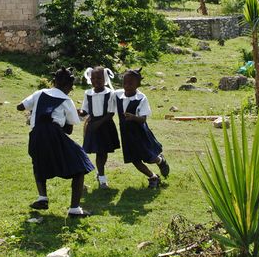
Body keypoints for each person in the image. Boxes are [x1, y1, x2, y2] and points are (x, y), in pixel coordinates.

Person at [17, 66, 94, 217]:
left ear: (53, 81)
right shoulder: (66, 100)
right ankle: (74, 209)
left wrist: (35, 111)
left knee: (39, 162)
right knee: (80, 164)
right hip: (53, 133)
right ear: (69, 86)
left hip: (36, 134)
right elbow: (69, 129)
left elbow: (20, 107)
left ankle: (42, 197)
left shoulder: (39, 93)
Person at [113, 68, 169, 188]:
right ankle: (153, 177)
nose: (127, 86)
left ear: (138, 84)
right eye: (125, 83)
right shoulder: (117, 94)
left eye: (131, 83)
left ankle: (160, 161)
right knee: (134, 160)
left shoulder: (141, 98)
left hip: (139, 134)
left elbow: (143, 119)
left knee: (149, 158)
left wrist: (133, 117)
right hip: (126, 134)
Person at [80, 66, 120, 188]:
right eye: (93, 78)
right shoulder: (88, 93)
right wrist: (80, 112)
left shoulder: (110, 93)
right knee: (98, 152)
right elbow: (85, 110)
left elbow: (111, 113)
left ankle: (101, 177)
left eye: (99, 78)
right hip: (92, 126)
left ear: (105, 79)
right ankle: (101, 174)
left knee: (102, 152)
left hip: (105, 125)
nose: (96, 81)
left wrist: (99, 123)